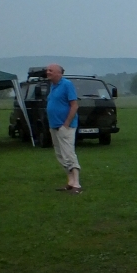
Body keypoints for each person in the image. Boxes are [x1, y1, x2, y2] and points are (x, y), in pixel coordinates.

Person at [45, 64, 82, 193]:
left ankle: (77, 184)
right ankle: (70, 181)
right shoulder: (53, 86)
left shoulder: (67, 85)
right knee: (60, 154)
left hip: (65, 127)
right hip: (54, 126)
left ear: (59, 73)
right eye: (47, 70)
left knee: (68, 154)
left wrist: (66, 124)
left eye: (50, 70)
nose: (47, 72)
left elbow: (74, 105)